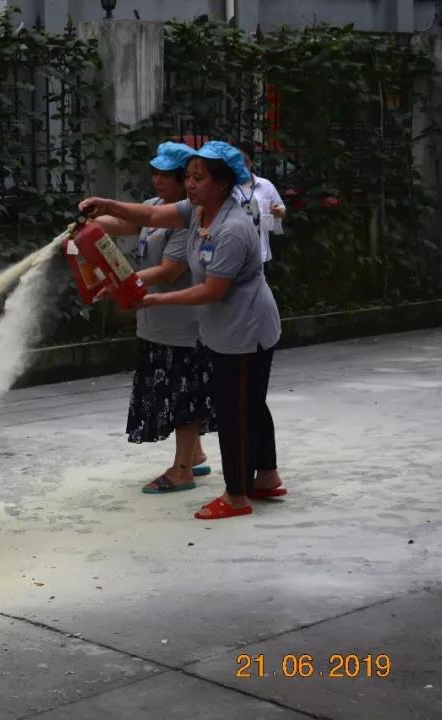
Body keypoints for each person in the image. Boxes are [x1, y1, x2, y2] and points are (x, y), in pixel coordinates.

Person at [80, 141, 286, 520]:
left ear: (222, 183)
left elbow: (211, 291)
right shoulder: (198, 211)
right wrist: (107, 205)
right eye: (188, 176)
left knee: (235, 412)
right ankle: (267, 477)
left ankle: (236, 496)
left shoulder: (232, 228)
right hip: (225, 328)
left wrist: (151, 300)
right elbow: (151, 215)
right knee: (250, 403)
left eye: (198, 178)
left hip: (245, 329)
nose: (189, 184)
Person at [92, 142, 216, 494]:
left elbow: (169, 270)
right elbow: (126, 223)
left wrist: (121, 282)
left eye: (166, 175)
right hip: (156, 320)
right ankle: (194, 455)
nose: (157, 180)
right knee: (175, 391)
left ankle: (181, 471)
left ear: (184, 180)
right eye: (155, 173)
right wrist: (89, 225)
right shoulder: (154, 206)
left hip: (182, 325)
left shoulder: (189, 218)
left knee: (184, 395)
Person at [232, 143, 285, 272]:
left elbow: (281, 210)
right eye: (236, 161)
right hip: (233, 254)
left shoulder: (265, 185)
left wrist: (277, 212)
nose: (241, 165)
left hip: (261, 253)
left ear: (251, 163)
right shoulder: (226, 187)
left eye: (245, 161)